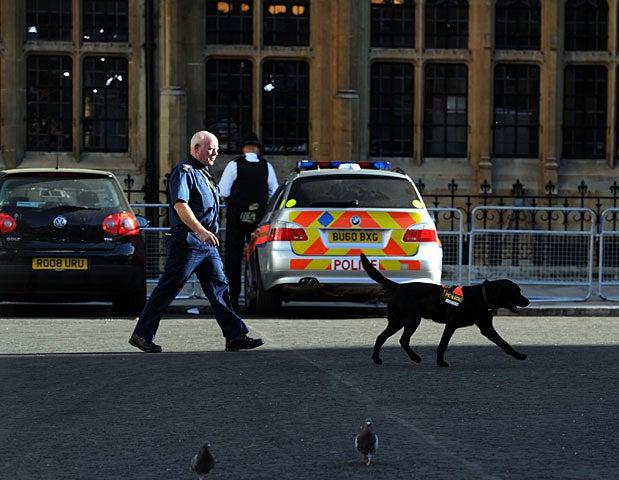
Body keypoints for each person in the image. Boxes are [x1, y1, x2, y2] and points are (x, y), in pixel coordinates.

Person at [129, 130, 264, 353]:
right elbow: (180, 205)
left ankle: (235, 335)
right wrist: (201, 231)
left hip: (206, 245)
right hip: (189, 242)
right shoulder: (184, 172)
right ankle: (142, 334)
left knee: (220, 288)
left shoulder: (205, 173)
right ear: (196, 148)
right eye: (211, 149)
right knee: (168, 289)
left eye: (217, 149)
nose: (215, 153)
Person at [219, 132, 279, 310]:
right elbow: (274, 192)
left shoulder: (234, 165)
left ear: (243, 149)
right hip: (257, 219)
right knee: (257, 258)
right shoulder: (266, 166)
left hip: (236, 217)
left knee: (233, 259)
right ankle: (256, 296)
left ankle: (233, 299)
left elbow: (223, 191)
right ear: (258, 149)